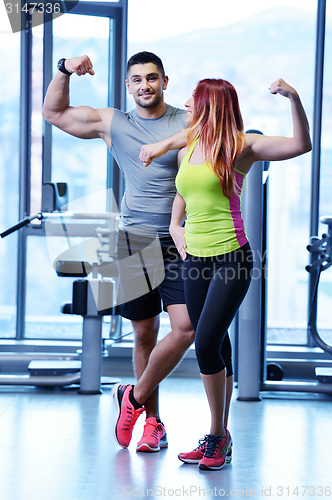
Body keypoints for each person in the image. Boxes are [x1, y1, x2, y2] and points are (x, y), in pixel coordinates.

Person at [42, 52, 235, 453]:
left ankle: (131, 395)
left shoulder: (186, 121)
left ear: (165, 81)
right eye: (136, 80)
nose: (144, 85)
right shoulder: (115, 123)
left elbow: (225, 133)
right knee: (143, 331)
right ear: (128, 85)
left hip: (183, 241)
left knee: (187, 329)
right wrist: (64, 69)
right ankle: (154, 423)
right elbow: (54, 113)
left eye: (152, 78)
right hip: (131, 238)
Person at [140, 77, 311, 470]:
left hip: (232, 259)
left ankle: (217, 436)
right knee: (216, 343)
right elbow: (183, 191)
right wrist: (174, 225)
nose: (188, 106)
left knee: (204, 345)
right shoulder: (189, 143)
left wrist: (295, 99)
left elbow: (301, 145)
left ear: (210, 106)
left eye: (195, 101)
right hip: (195, 260)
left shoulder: (241, 146)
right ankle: (220, 438)